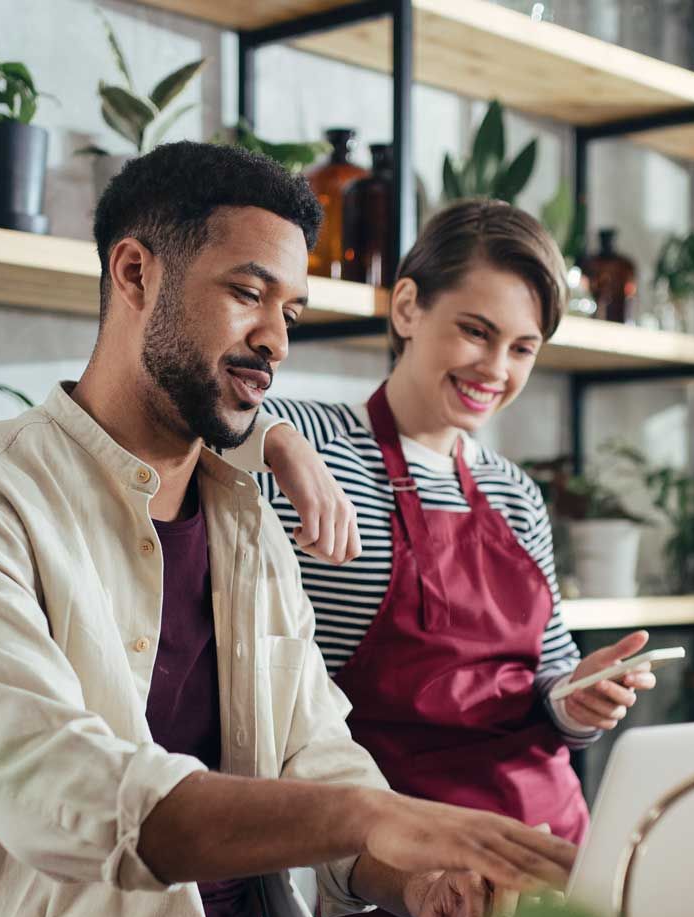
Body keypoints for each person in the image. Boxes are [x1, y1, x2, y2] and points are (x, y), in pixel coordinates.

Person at [0, 143, 577, 917]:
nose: (276, 341)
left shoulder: (246, 520)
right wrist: (380, 815)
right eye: (248, 295)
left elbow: (316, 755)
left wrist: (416, 878)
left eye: (290, 311)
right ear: (135, 272)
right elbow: (61, 793)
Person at [254, 200, 660, 851]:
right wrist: (273, 436)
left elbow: (548, 682)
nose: (496, 369)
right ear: (408, 307)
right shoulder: (311, 442)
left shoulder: (516, 492)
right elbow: (185, 419)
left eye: (522, 348)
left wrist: (579, 698)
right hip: (397, 851)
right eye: (476, 331)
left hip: (548, 834)